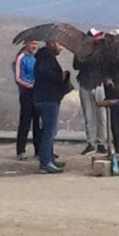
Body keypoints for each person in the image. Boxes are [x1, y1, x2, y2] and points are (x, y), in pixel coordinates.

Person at [33, 40, 72, 174]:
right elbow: (48, 74)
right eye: (59, 44)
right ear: (52, 44)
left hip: (43, 98)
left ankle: (49, 158)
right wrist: (60, 77)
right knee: (49, 131)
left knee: (48, 130)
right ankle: (45, 163)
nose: (61, 47)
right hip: (48, 99)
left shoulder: (44, 57)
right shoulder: (46, 58)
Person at [73, 28, 108, 156]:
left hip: (99, 82)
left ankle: (101, 142)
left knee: (101, 114)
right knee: (88, 114)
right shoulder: (80, 51)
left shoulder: (103, 51)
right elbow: (76, 66)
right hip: (85, 82)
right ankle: (91, 142)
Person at [13, 40, 41, 161]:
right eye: (32, 43)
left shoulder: (38, 57)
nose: (34, 46)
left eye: (36, 44)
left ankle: (39, 150)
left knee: (37, 123)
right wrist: (30, 85)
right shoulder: (21, 58)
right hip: (26, 93)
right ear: (27, 44)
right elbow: (18, 78)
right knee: (25, 122)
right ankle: (21, 150)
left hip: (38, 93)